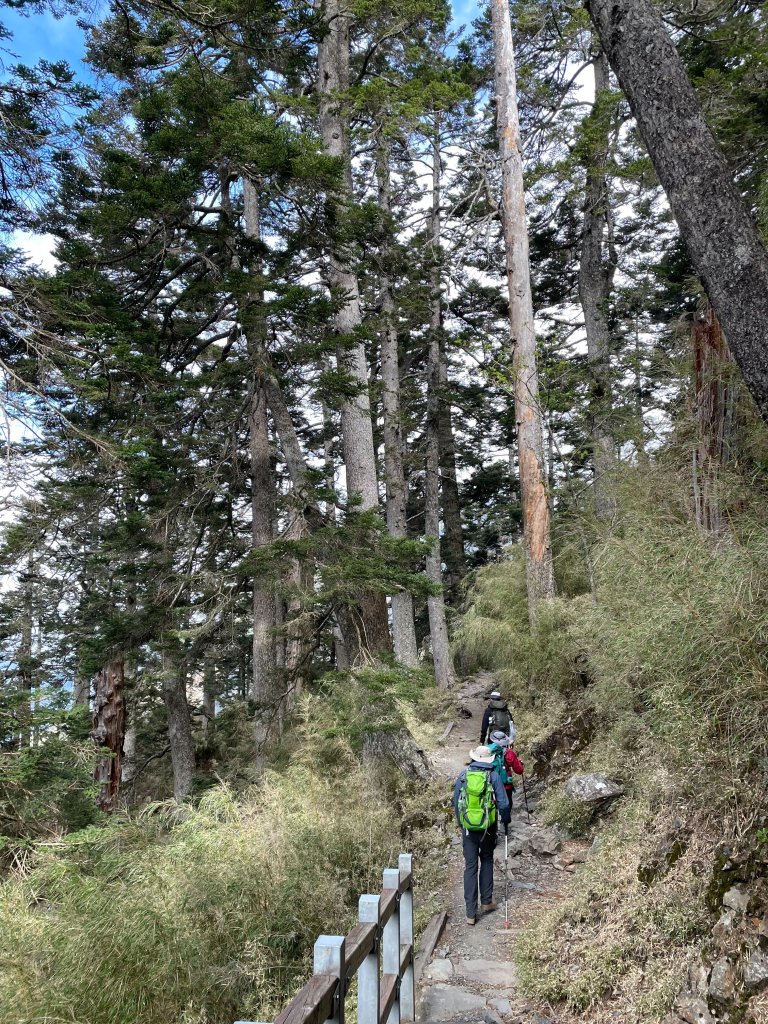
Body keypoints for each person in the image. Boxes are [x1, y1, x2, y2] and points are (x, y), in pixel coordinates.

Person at [453, 745, 510, 925]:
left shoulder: (463, 776)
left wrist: (462, 824)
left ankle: (470, 913)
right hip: (488, 827)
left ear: (474, 758)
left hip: (469, 828)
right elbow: (504, 802)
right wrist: (505, 821)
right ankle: (486, 901)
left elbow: (456, 803)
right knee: (486, 858)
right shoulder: (492, 775)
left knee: (470, 866)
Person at [488, 729, 525, 809]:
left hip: (489, 783)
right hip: (505, 785)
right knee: (507, 804)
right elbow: (519, 770)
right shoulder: (509, 753)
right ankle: (505, 820)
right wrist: (521, 765)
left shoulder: (486, 750)